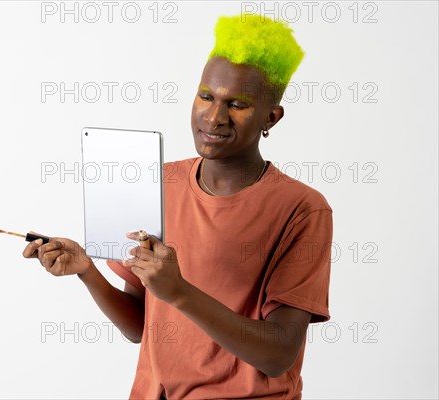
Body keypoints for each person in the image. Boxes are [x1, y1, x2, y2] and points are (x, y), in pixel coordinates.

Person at [23, 13, 333, 399]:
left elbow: (277, 355)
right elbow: (140, 325)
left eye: (237, 104)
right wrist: (87, 271)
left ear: (271, 117)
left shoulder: (302, 208)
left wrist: (179, 291)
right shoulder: (158, 182)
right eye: (206, 96)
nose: (215, 117)